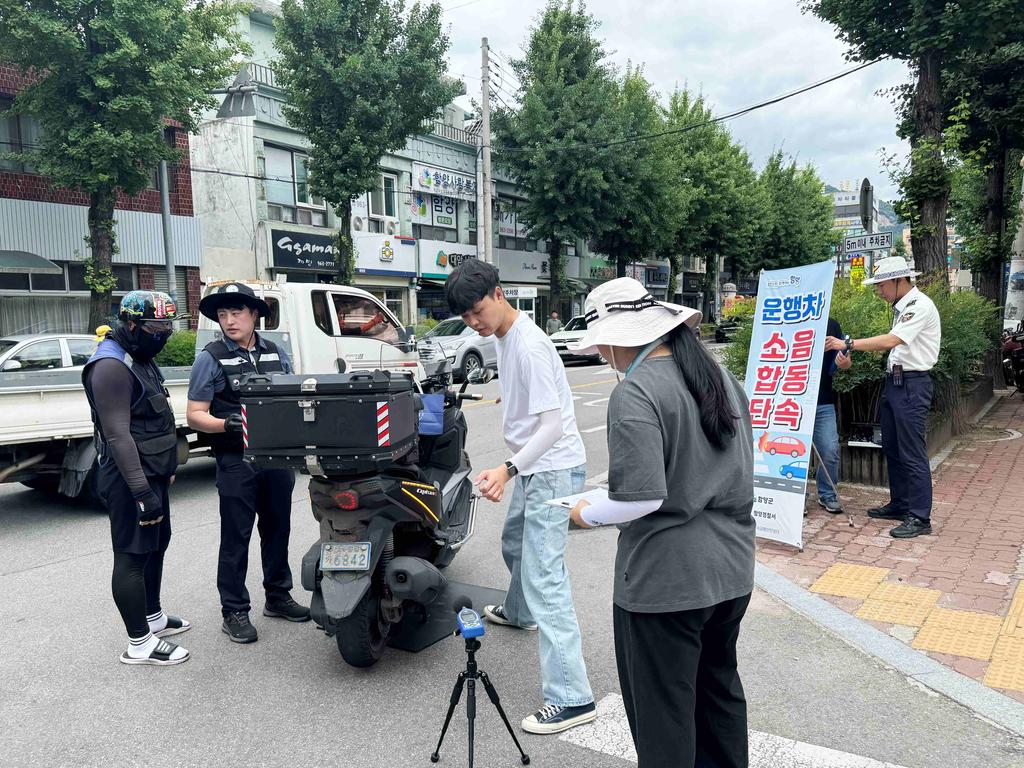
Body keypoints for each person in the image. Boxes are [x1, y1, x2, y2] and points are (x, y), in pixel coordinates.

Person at [565, 277, 755, 768]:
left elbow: (641, 499)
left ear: (614, 338)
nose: (601, 353)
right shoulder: (719, 377)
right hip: (732, 569)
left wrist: (583, 513)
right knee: (718, 697)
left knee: (664, 718)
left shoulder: (636, 392)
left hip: (666, 582)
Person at [444, 259, 596, 735]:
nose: (474, 322)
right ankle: (520, 611)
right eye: (465, 316)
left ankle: (572, 697)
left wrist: (507, 470)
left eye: (478, 310)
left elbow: (552, 427)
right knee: (515, 541)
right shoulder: (504, 336)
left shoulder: (529, 346)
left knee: (545, 577)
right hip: (536, 467)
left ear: (499, 293)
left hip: (552, 468)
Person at [187, 282, 310, 643]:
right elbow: (194, 415)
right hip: (235, 459)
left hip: (276, 458)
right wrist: (226, 424)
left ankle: (278, 596)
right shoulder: (209, 357)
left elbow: (292, 396)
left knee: (278, 529)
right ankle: (234, 611)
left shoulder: (276, 352)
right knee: (236, 536)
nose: (229, 321)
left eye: (236, 312)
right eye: (222, 314)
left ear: (255, 314)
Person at [83, 291, 190, 666]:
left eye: (168, 328)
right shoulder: (110, 366)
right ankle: (140, 643)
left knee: (157, 543)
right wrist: (142, 491)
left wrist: (166, 469)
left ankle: (153, 616)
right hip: (129, 477)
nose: (164, 335)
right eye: (157, 328)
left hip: (152, 470)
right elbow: (117, 435)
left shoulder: (140, 356)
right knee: (132, 555)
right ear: (130, 324)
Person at [825, 256, 941, 538]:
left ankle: (920, 517)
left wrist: (848, 343)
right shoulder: (902, 308)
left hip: (912, 385)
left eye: (882, 285)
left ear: (899, 280)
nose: (879, 291)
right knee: (892, 447)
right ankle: (900, 504)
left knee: (912, 451)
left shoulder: (919, 306)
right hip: (896, 383)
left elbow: (891, 340)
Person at [814, 316, 852, 514]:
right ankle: (796, 498)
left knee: (830, 449)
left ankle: (827, 494)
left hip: (823, 400)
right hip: (789, 402)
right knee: (792, 451)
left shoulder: (831, 324)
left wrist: (844, 362)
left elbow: (846, 363)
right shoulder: (783, 320)